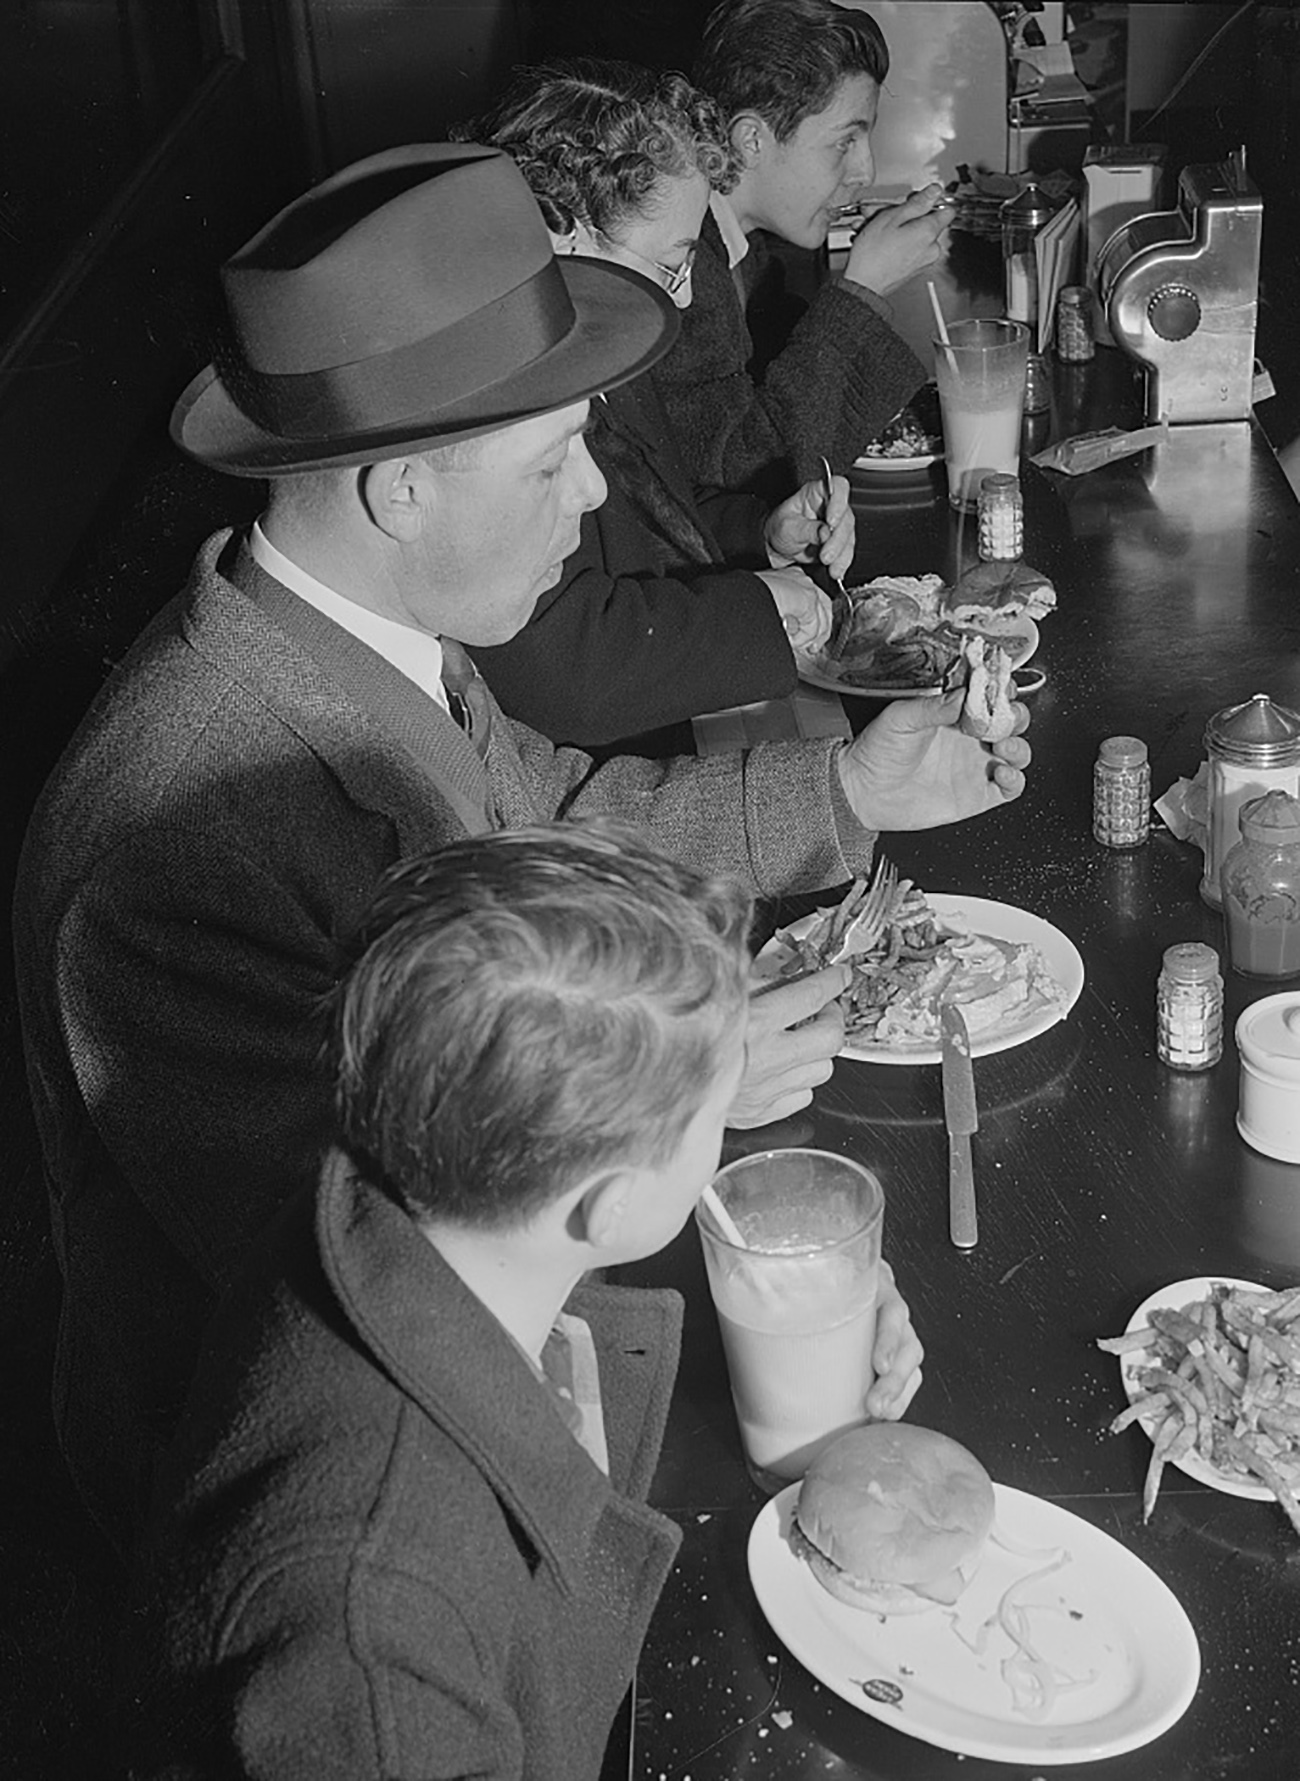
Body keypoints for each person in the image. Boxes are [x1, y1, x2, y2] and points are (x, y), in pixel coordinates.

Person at [13, 143, 1026, 1557]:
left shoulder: (369, 638)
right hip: (343, 1517)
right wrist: (667, 1098)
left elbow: (543, 817)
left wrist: (851, 785)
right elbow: (341, 1263)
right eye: (555, 459)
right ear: (399, 490)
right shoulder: (171, 841)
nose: (597, 497)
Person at [121, 822, 924, 1779]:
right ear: (609, 1204)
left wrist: (809, 1339)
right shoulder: (370, 1633)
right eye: (718, 1115)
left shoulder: (416, 1204)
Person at [461, 59, 845, 750]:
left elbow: (650, 514)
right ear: (561, 233)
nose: (686, 297)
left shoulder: (608, 343)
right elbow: (567, 667)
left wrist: (761, 532)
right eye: (671, 264)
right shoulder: (496, 404)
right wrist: (755, 604)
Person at [651, 0, 952, 500]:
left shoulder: (742, 249)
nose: (865, 173)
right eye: (843, 143)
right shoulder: (679, 266)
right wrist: (861, 290)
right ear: (750, 140)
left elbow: (797, 391)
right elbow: (746, 468)